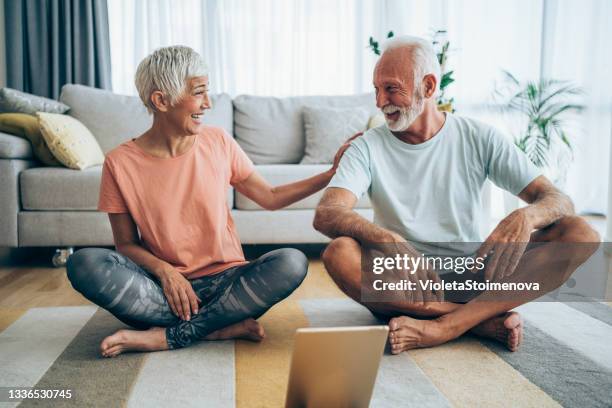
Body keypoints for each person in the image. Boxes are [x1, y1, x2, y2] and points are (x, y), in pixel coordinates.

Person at [313, 35, 599, 353]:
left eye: (391, 88)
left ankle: (444, 326)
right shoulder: (366, 146)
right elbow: (327, 213)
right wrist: (387, 239)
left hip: (475, 271)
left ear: (429, 87)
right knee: (339, 253)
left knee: (581, 232)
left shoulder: (479, 136)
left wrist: (527, 216)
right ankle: (478, 321)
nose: (380, 102)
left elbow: (558, 199)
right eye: (376, 89)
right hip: (404, 279)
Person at [66, 45, 355, 357]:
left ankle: (170, 336)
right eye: (199, 92)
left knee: (292, 262)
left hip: (226, 284)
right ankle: (219, 326)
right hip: (165, 290)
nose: (207, 103)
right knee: (83, 264)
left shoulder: (217, 142)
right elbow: (126, 245)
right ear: (161, 100)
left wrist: (330, 174)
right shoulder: (120, 162)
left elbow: (270, 198)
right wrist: (166, 273)